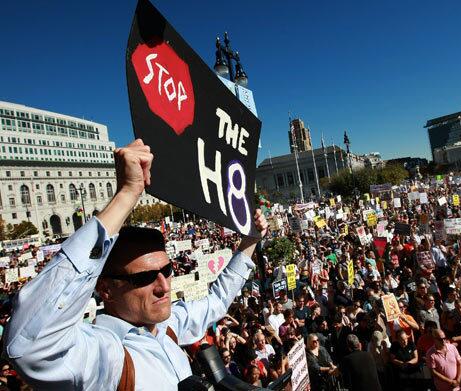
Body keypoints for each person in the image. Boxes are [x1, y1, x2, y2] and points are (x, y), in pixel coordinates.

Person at [2, 140, 269, 389]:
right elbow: (28, 346)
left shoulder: (169, 326)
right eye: (144, 278)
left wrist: (250, 242)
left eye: (167, 271)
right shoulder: (105, 355)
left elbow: (219, 300)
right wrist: (127, 195)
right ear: (105, 289)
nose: (164, 287)